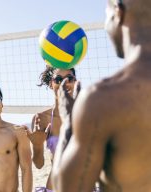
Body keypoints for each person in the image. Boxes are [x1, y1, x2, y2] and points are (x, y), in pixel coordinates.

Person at [52, 0, 151, 191]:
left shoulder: (102, 100)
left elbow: (67, 189)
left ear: (118, 12)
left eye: (106, 14)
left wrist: (68, 123)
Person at [26, 66, 77, 192]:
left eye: (69, 78)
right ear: (51, 84)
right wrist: (37, 146)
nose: (64, 83)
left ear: (75, 82)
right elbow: (39, 165)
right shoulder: (41, 119)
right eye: (58, 79)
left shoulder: (88, 113)